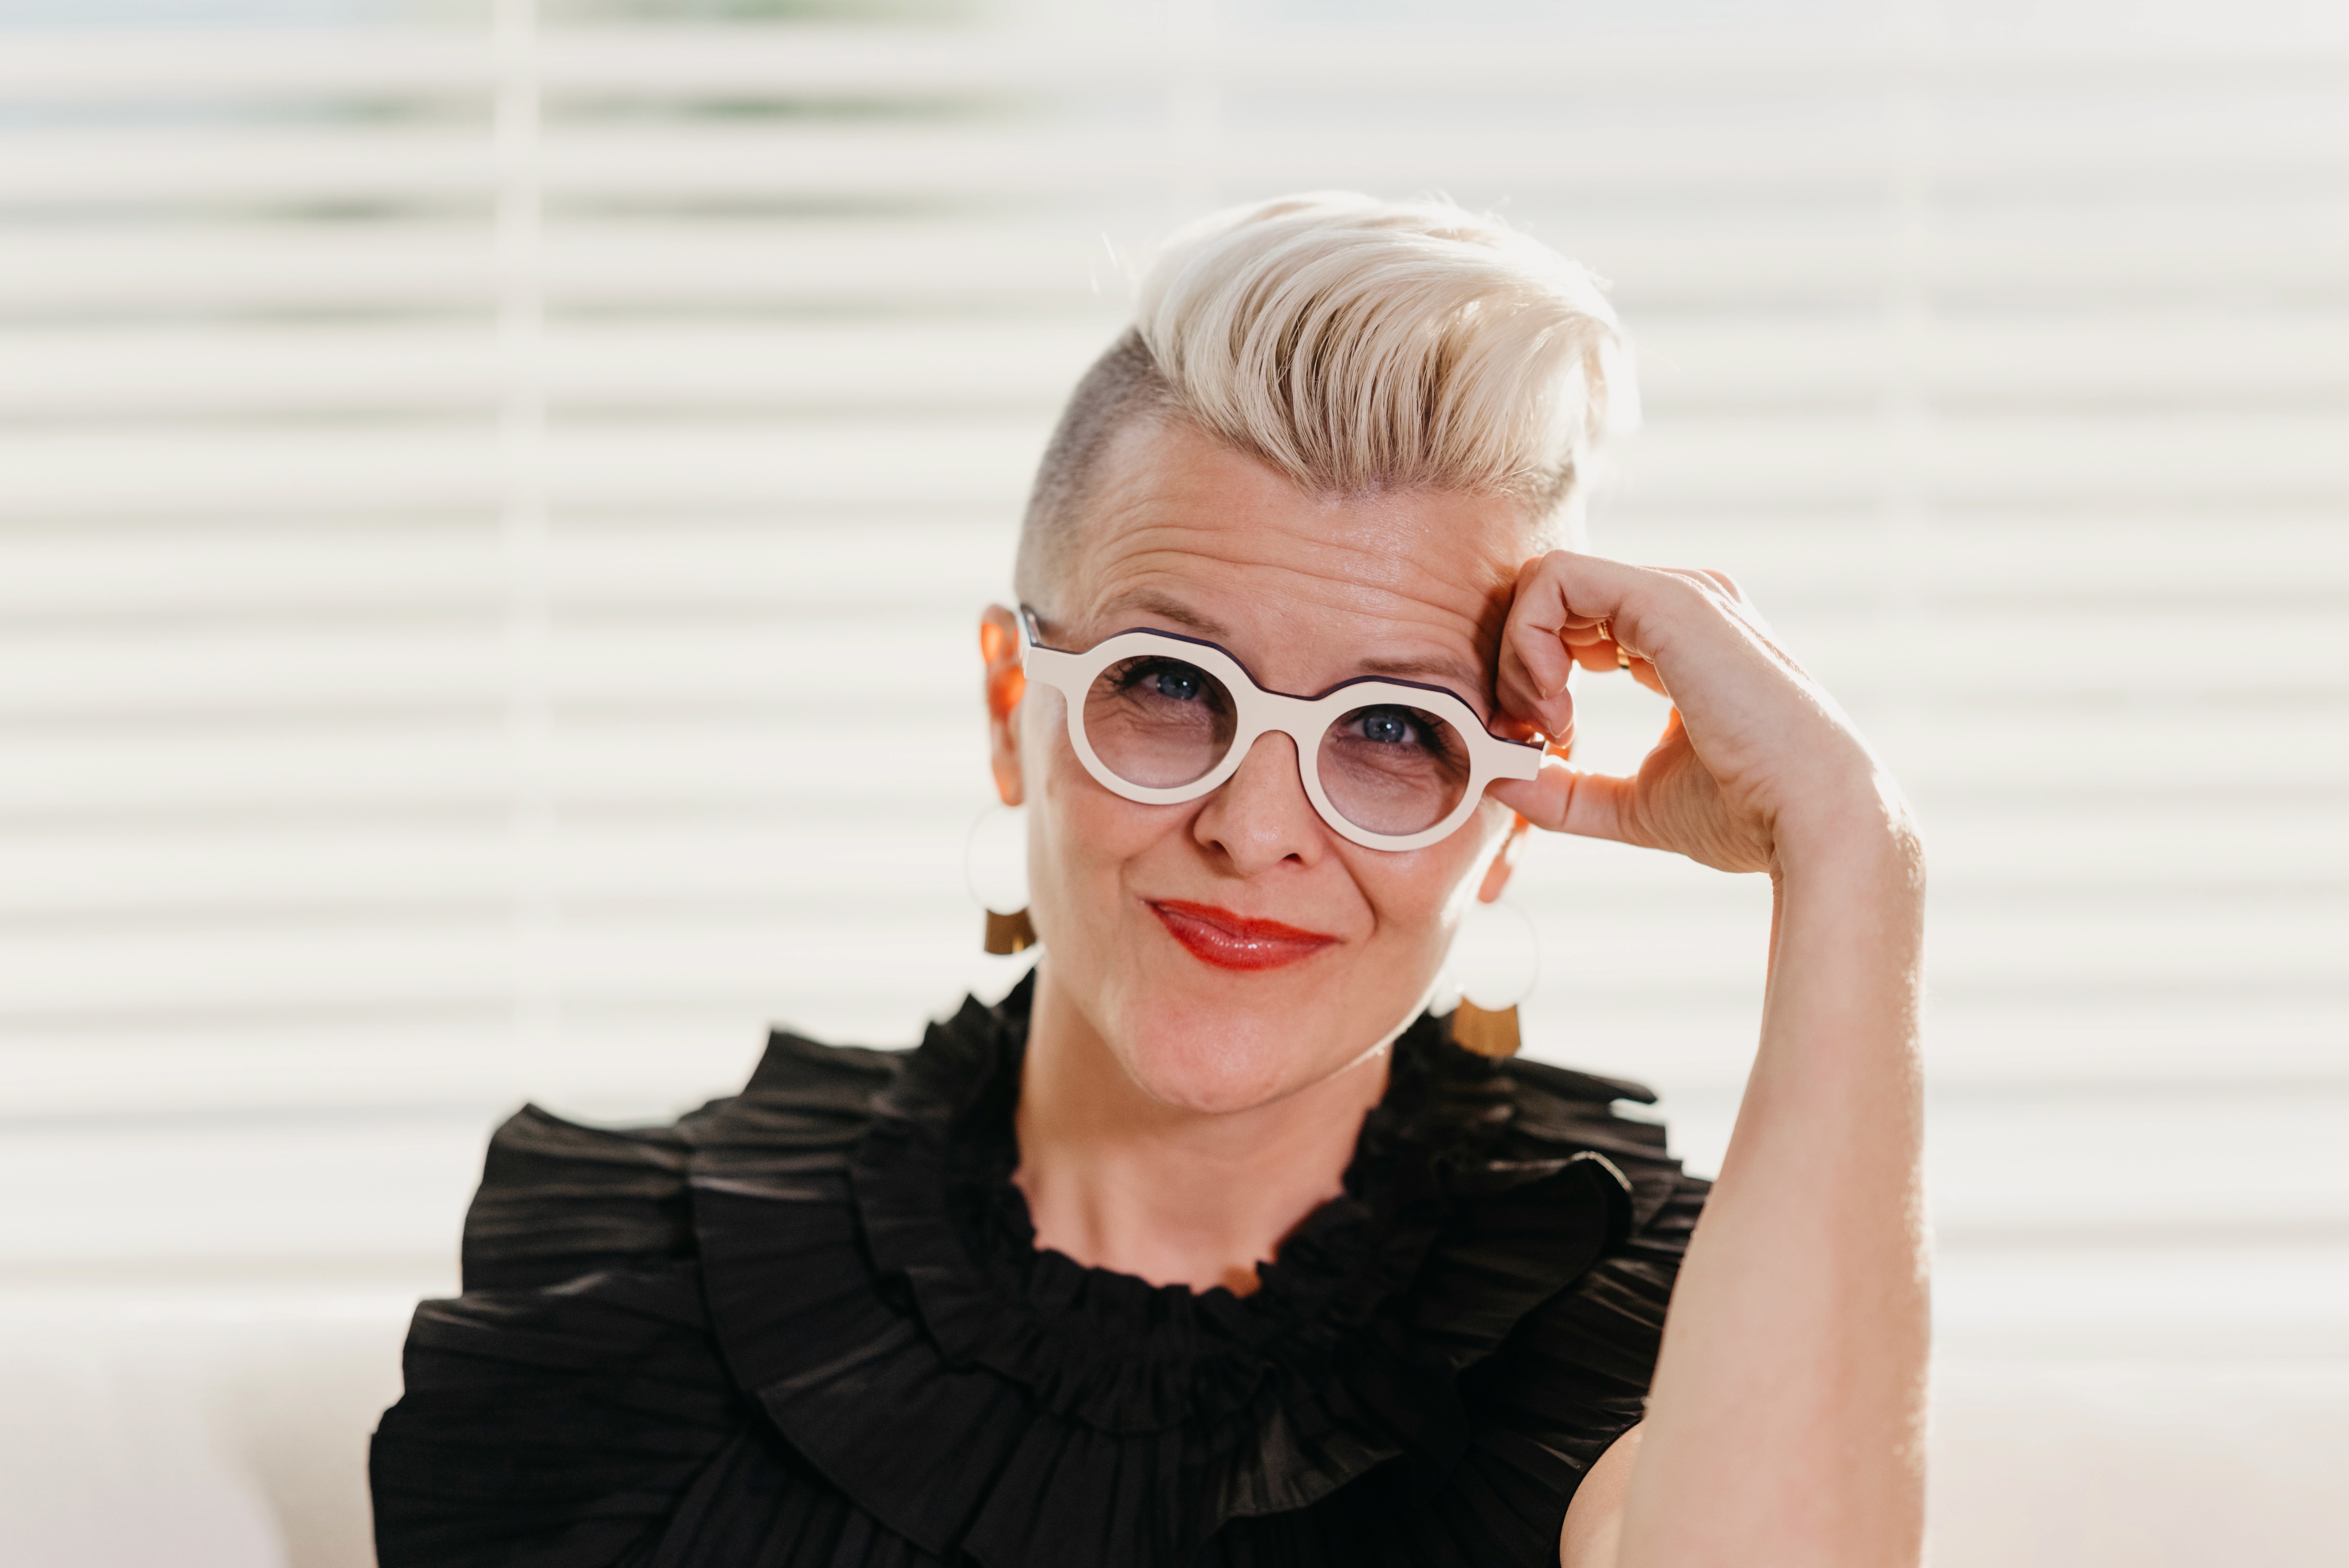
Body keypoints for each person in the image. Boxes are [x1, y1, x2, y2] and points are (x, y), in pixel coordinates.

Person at [371, 192, 1927, 1568]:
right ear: (1012, 709)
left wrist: (1853, 853)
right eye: (1170, 685)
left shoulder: (1647, 1327)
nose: (1256, 828)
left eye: (1391, 727)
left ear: (1506, 810)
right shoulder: (637, 1293)